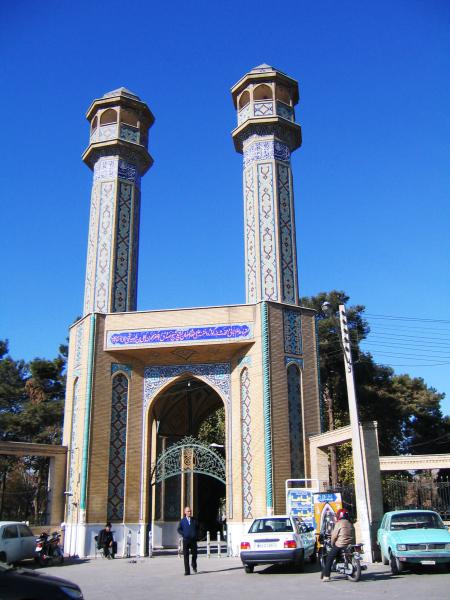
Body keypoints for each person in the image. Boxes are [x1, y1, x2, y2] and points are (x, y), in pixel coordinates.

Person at [321, 508, 355, 582]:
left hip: (340, 544)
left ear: (339, 515)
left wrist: (332, 543)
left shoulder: (339, 523)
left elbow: (334, 535)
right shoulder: (350, 523)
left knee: (329, 557)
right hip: (350, 544)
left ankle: (326, 576)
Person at [177, 506, 199, 575]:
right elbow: (179, 529)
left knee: (195, 554)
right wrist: (184, 534)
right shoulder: (182, 521)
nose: (189, 512)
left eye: (190, 511)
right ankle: (187, 571)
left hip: (193, 540)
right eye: (188, 511)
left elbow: (198, 528)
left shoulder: (194, 520)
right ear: (185, 512)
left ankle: (193, 564)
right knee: (186, 556)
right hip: (186, 540)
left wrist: (196, 535)